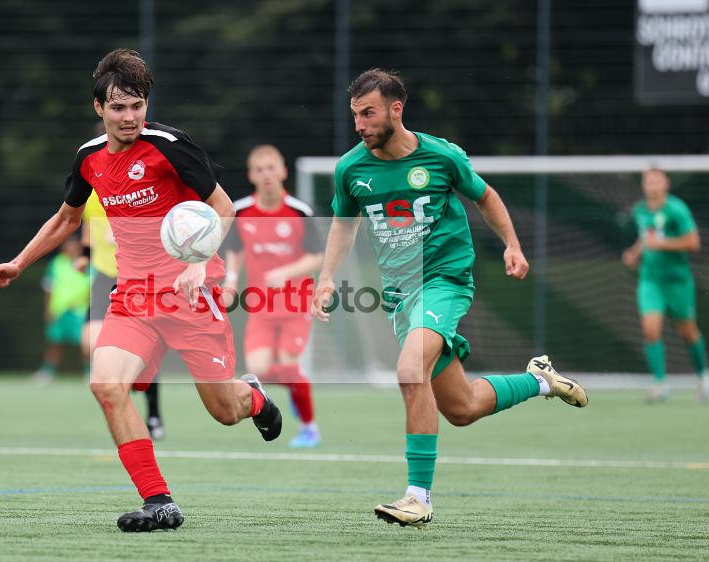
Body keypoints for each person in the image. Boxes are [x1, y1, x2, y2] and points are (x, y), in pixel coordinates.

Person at [0, 49, 282, 532]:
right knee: (106, 385)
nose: (129, 117)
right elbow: (67, 218)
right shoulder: (89, 159)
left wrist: (198, 263)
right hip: (135, 296)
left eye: (137, 105)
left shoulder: (169, 147)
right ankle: (159, 501)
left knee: (225, 412)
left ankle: (255, 399)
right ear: (98, 107)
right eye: (118, 107)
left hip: (190, 292)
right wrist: (19, 263)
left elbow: (224, 209)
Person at [311, 68, 589, 528]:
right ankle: (541, 380)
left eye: (368, 113)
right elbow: (344, 223)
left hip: (445, 280)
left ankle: (417, 497)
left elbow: (485, 196)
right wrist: (326, 278)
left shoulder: (441, 156)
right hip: (401, 296)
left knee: (407, 370)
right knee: (462, 408)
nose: (359, 124)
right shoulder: (350, 169)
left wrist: (512, 245)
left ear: (396, 110)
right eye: (355, 115)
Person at [223, 145, 324, 448]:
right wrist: (230, 281)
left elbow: (317, 256)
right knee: (259, 370)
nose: (267, 174)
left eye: (272, 168)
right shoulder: (241, 211)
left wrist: (287, 272)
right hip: (260, 305)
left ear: (283, 171)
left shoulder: (298, 211)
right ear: (251, 175)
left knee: (290, 365)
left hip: (295, 303)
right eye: (260, 169)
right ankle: (297, 385)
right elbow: (234, 251)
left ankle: (309, 428)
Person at [80, 184, 165, 439]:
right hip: (105, 276)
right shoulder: (90, 193)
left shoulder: (140, 190)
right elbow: (88, 226)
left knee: (141, 354)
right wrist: (85, 255)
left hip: (136, 277)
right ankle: (124, 399)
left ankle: (153, 415)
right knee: (89, 343)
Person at [622, 168, 708, 404]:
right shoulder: (641, 210)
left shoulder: (677, 209)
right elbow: (646, 237)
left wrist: (662, 243)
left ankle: (703, 379)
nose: (651, 185)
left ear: (666, 183)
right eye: (647, 181)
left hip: (678, 281)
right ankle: (660, 384)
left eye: (656, 181)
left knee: (688, 332)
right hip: (650, 280)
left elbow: (693, 242)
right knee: (650, 329)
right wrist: (634, 252)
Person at [33, 236, 90, 384]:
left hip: (80, 311)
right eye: (67, 247)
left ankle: (89, 373)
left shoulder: (87, 263)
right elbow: (48, 287)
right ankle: (47, 372)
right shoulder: (56, 264)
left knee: (86, 345)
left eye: (73, 246)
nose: (70, 249)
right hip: (59, 310)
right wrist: (48, 308)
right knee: (54, 343)